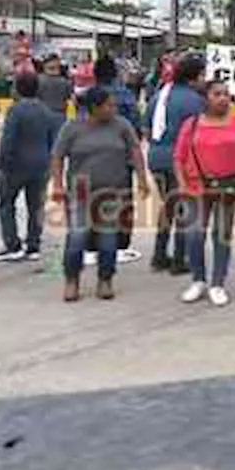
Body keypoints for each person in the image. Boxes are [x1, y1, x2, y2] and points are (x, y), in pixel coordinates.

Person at [50, 87, 148, 301]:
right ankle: (72, 280)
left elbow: (134, 150)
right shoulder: (72, 128)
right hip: (81, 193)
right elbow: (57, 156)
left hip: (113, 193)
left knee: (108, 240)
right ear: (94, 108)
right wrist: (57, 185)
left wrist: (141, 179)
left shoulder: (122, 125)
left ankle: (105, 279)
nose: (113, 109)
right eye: (109, 105)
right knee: (77, 237)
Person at [175, 81, 235, 308]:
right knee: (194, 235)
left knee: (221, 236)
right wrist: (182, 184)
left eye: (226, 94)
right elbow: (178, 157)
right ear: (205, 98)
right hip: (195, 188)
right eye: (217, 94)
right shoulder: (191, 125)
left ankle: (217, 283)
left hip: (227, 187)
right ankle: (198, 280)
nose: (223, 98)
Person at [146, 52, 206, 274]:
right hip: (180, 161)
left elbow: (146, 128)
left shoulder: (159, 95)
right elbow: (199, 136)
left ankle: (159, 254)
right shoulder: (195, 101)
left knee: (168, 206)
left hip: (155, 157)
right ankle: (180, 259)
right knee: (185, 209)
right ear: (195, 76)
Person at [0, 72, 61, 261]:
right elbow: (53, 140)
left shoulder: (15, 111)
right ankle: (33, 245)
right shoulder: (47, 111)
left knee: (7, 204)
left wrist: (2, 163)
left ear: (16, 88)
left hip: (16, 165)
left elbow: (8, 140)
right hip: (41, 165)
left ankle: (12, 244)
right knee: (35, 207)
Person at [93, 54, 143, 261]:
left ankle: (95, 241)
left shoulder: (90, 96)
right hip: (122, 156)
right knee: (122, 198)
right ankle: (122, 242)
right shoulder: (127, 95)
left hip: (94, 157)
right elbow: (137, 129)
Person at [37, 53, 72, 119]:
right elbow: (70, 98)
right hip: (60, 116)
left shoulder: (38, 80)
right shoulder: (65, 81)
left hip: (42, 116)